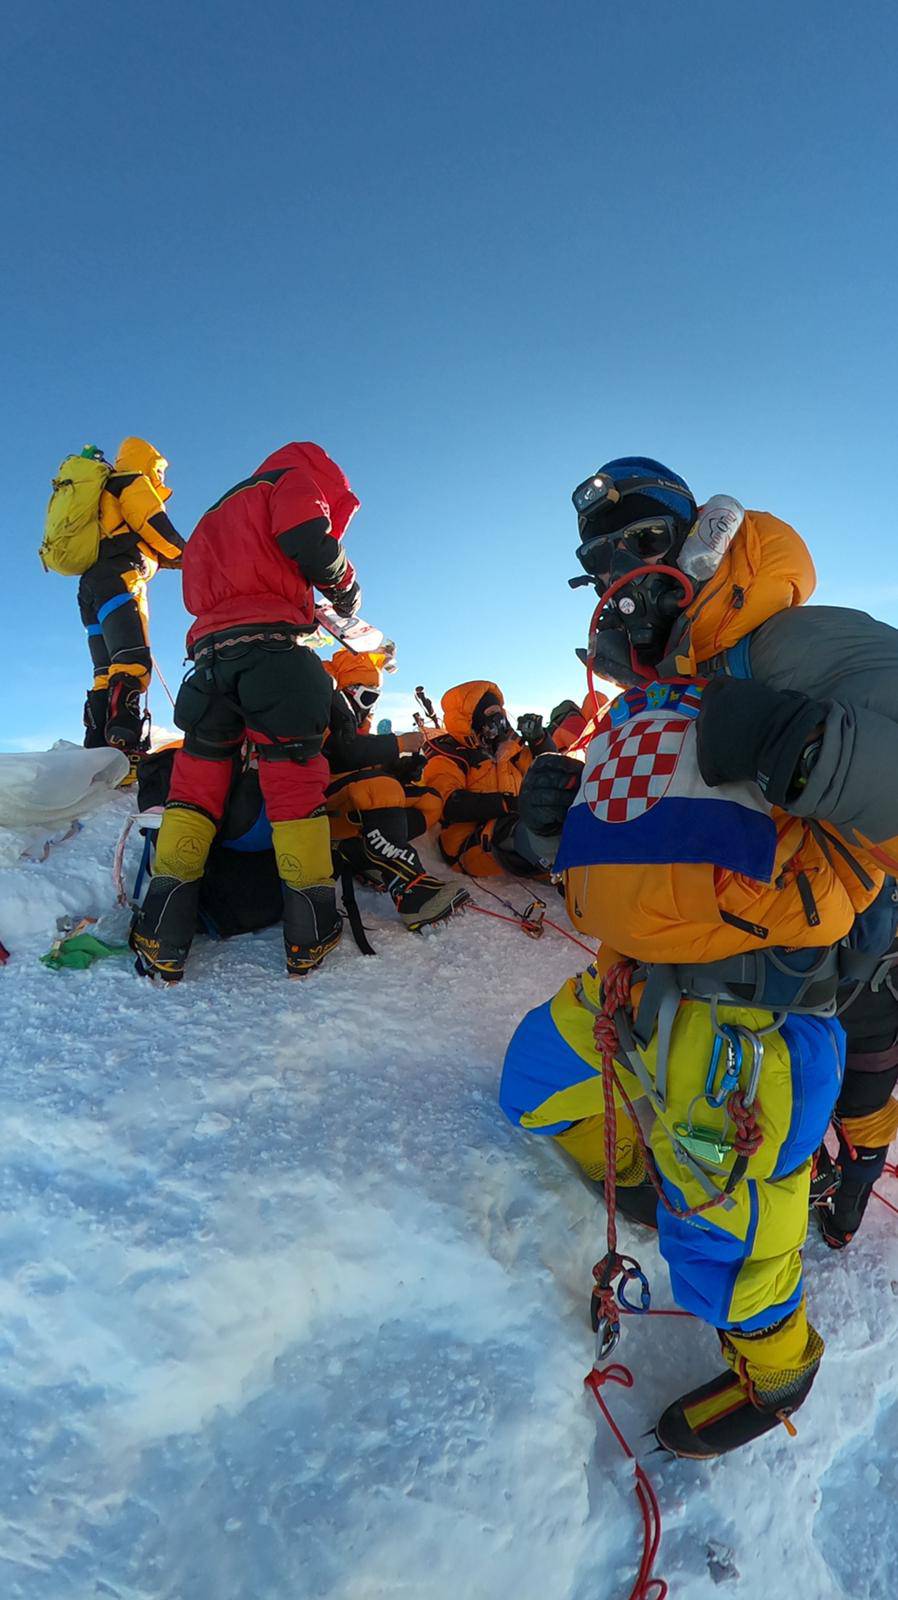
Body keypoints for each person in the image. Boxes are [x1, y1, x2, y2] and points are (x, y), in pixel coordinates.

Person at [501, 456, 894, 1458]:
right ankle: (650, 1179)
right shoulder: (650, 696)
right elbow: (649, 850)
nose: (620, 578)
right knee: (536, 1083)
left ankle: (776, 1369)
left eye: (642, 545)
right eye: (599, 565)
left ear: (702, 539)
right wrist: (555, 840)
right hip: (629, 985)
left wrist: (814, 749)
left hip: (747, 1009)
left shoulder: (790, 641)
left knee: (728, 1234)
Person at [130, 441, 362, 982]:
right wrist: (344, 587)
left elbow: (198, 579)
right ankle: (310, 931)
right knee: (294, 783)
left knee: (195, 783)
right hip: (276, 656)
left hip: (209, 661)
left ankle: (164, 927)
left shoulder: (217, 512)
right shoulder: (291, 482)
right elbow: (308, 538)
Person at [324, 650, 468, 930]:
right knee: (382, 788)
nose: (371, 706)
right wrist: (398, 745)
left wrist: (398, 769)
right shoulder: (326, 714)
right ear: (347, 692)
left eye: (376, 697)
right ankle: (412, 892)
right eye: (368, 696)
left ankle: (366, 854)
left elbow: (359, 765)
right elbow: (341, 754)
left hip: (348, 804)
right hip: (321, 804)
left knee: (429, 801)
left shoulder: (356, 725)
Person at [77, 439, 184, 755]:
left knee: (104, 670)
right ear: (150, 464)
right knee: (132, 661)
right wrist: (194, 556)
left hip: (89, 588)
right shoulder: (130, 481)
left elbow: (131, 538)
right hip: (120, 581)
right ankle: (125, 745)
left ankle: (96, 746)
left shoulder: (98, 495)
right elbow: (154, 527)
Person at [421, 681, 552, 879]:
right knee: (529, 831)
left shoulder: (510, 750)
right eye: (491, 714)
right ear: (472, 719)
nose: (499, 719)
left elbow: (547, 772)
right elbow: (449, 803)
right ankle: (561, 868)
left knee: (559, 818)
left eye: (499, 712)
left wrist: (539, 741)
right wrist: (507, 804)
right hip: (470, 844)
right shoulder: (449, 755)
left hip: (513, 826)